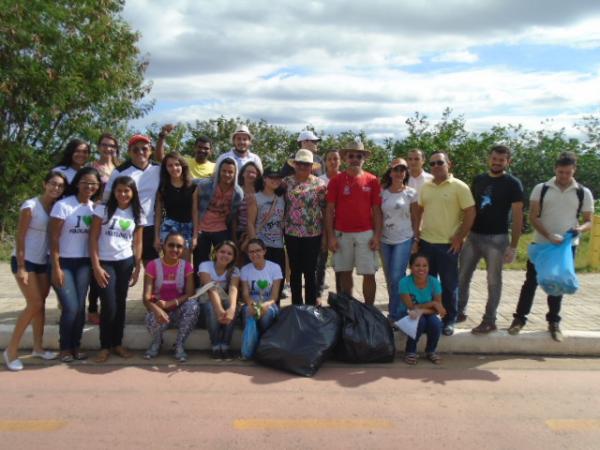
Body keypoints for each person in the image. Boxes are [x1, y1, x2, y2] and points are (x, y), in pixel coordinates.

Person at [508, 152, 594, 341]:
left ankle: (553, 322)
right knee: (531, 282)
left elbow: (589, 222)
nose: (563, 176)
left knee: (558, 284)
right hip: (541, 244)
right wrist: (548, 235)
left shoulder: (583, 192)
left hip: (566, 247)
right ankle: (519, 320)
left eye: (568, 172)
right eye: (560, 172)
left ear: (574, 170)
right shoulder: (542, 188)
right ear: (555, 169)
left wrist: (579, 228)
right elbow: (533, 216)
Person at [3, 171, 67, 371]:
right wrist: (21, 266)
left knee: (40, 306)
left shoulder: (55, 207)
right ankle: (11, 351)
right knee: (34, 303)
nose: (55, 188)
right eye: (52, 184)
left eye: (60, 186)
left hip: (42, 261)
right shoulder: (30, 206)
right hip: (25, 261)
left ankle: (38, 347)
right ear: (44, 184)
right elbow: (20, 237)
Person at [457, 145, 524, 334]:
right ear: (489, 158)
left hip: (498, 238)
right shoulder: (478, 180)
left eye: (501, 160)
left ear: (508, 162)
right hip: (474, 236)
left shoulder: (513, 183)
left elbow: (518, 216)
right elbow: (469, 209)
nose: (497, 162)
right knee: (462, 276)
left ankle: (489, 320)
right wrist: (462, 234)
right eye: (494, 158)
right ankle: (459, 311)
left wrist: (514, 246)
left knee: (493, 281)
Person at [417, 152, 475, 336]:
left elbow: (470, 212)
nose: (435, 166)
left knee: (449, 285)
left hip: (448, 245)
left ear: (449, 164)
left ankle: (449, 320)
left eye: (440, 162)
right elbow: (419, 210)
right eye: (432, 163)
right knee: (427, 284)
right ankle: (429, 318)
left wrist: (460, 236)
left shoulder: (460, 187)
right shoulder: (426, 187)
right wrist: (417, 233)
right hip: (426, 243)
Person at [90, 175, 145, 363]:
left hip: (125, 262)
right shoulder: (102, 209)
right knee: (108, 305)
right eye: (119, 190)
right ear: (113, 192)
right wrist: (96, 265)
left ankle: (117, 343)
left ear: (133, 193)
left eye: (127, 191)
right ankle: (104, 346)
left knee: (120, 303)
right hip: (105, 262)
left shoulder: (137, 212)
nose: (123, 194)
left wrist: (138, 267)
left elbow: (138, 243)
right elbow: (93, 238)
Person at [49, 167, 102, 362]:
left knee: (80, 307)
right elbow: (53, 238)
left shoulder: (94, 208)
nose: (89, 186)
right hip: (63, 261)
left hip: (84, 263)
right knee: (70, 306)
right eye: (85, 182)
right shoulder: (63, 205)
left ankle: (76, 346)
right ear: (77, 183)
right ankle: (65, 347)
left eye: (93, 183)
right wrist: (55, 267)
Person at [326, 138, 382, 305]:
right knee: (344, 272)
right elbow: (329, 210)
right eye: (351, 156)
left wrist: (377, 235)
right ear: (345, 159)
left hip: (366, 233)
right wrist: (331, 237)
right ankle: (347, 309)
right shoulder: (336, 180)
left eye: (359, 156)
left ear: (364, 158)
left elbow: (377, 211)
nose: (355, 159)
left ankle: (369, 310)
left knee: (369, 273)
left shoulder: (372, 180)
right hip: (342, 232)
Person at [104, 134, 161, 264]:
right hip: (125, 224)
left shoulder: (158, 169)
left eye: (144, 149)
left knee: (151, 267)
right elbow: (107, 198)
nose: (140, 152)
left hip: (149, 225)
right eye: (135, 149)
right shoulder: (119, 172)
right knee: (126, 266)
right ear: (129, 152)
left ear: (150, 150)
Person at [143, 232, 200, 361]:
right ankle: (157, 342)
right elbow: (146, 296)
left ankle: (179, 344)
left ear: (183, 249)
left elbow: (190, 294)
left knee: (193, 305)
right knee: (151, 316)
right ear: (164, 246)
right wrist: (158, 308)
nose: (175, 249)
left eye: (179, 246)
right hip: (160, 309)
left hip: (179, 310)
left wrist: (170, 303)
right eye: (171, 245)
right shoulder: (153, 265)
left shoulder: (186, 266)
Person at [283, 150, 327, 305]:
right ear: (294, 164)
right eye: (299, 163)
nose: (302, 166)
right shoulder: (286, 182)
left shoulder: (320, 185)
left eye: (306, 164)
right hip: (291, 232)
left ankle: (310, 306)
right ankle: (296, 304)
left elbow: (325, 209)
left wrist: (326, 236)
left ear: (311, 166)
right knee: (295, 271)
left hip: (313, 233)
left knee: (310, 271)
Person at [380, 158, 419, 323]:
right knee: (390, 278)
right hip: (384, 240)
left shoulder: (411, 193)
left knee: (398, 276)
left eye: (402, 170)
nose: (399, 173)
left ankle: (397, 314)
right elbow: (377, 215)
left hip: (404, 239)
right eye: (396, 170)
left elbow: (416, 217)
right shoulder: (382, 193)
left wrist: (416, 239)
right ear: (390, 173)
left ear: (405, 173)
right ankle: (395, 309)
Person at [88, 133, 121, 325]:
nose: (108, 148)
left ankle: (111, 305)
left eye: (112, 145)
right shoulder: (92, 168)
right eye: (105, 145)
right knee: (96, 264)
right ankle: (93, 308)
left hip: (115, 219)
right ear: (99, 146)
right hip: (95, 215)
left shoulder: (119, 167)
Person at [192, 157, 244, 272]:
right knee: (200, 262)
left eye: (230, 172)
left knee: (224, 260)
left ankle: (220, 285)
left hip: (221, 228)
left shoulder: (238, 193)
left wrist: (234, 239)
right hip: (202, 228)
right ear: (219, 171)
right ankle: (199, 287)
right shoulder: (206, 185)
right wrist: (195, 232)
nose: (227, 174)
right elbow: (191, 181)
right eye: (224, 171)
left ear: (235, 174)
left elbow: (234, 217)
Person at [399, 253, 447, 365]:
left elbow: (440, 310)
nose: (421, 268)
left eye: (425, 266)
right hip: (407, 315)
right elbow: (411, 308)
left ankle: (431, 351)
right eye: (417, 265)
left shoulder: (434, 282)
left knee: (436, 323)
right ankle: (410, 351)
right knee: (420, 321)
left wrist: (422, 310)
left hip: (425, 313)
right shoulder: (404, 282)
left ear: (429, 268)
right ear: (410, 267)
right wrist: (432, 303)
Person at [247, 167, 286, 300]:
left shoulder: (282, 198)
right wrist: (254, 246)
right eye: (272, 177)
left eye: (278, 178)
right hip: (262, 245)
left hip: (278, 245)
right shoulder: (255, 198)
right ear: (264, 179)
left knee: (278, 281)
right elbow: (250, 223)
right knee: (260, 281)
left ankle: (274, 310)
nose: (275, 180)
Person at [199, 241, 240, 361]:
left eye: (229, 253)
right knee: (211, 307)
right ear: (215, 252)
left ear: (233, 257)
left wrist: (231, 308)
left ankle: (225, 345)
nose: (225, 255)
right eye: (222, 251)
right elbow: (210, 289)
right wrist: (220, 310)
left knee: (233, 306)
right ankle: (216, 345)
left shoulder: (235, 270)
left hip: (222, 306)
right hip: (206, 306)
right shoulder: (205, 266)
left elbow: (233, 288)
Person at [240, 238, 282, 351]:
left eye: (258, 250)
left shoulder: (275, 268)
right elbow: (245, 294)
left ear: (264, 251)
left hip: (269, 304)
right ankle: (249, 347)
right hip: (252, 303)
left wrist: (265, 305)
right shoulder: (245, 269)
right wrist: (252, 304)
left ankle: (264, 346)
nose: (255, 254)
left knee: (266, 314)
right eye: (251, 252)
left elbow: (274, 296)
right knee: (247, 311)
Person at [154, 152, 196, 261]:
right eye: (170, 165)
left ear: (182, 166)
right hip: (169, 227)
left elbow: (195, 212)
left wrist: (195, 236)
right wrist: (157, 237)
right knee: (170, 262)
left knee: (185, 264)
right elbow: (158, 214)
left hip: (187, 227)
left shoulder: (193, 186)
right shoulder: (163, 188)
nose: (174, 168)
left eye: (177, 164)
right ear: (165, 168)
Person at [316, 149, 342, 295]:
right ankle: (318, 293)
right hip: (322, 225)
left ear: (340, 161)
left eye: (336, 159)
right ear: (325, 162)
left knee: (340, 262)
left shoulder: (345, 179)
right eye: (330, 159)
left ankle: (340, 293)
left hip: (342, 226)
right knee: (321, 261)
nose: (333, 162)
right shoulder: (320, 181)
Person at [233, 162, 260, 265]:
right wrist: (235, 239)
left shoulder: (260, 192)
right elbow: (234, 216)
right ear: (242, 174)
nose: (251, 175)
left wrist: (251, 235)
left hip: (257, 232)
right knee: (240, 264)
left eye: (254, 172)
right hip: (240, 233)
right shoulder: (237, 192)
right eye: (248, 172)